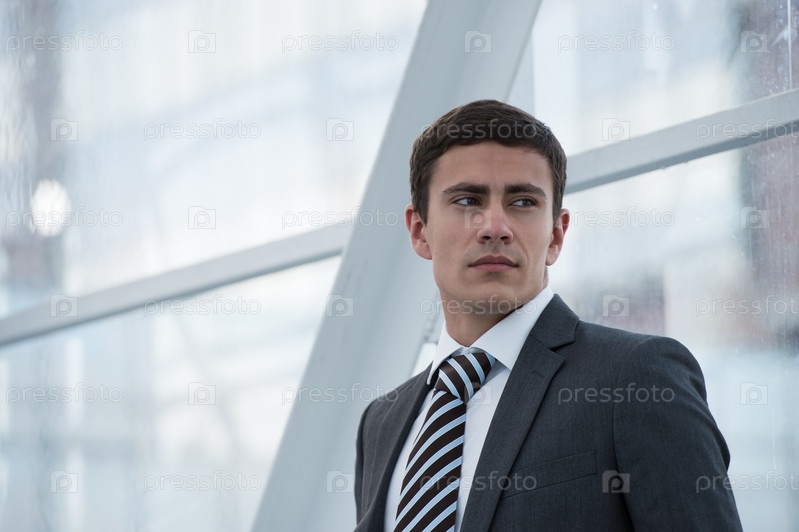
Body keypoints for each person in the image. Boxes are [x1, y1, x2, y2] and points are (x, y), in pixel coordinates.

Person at [353, 100, 742, 531]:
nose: (494, 227)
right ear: (419, 231)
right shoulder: (380, 424)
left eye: (522, 201)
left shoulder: (635, 377)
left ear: (556, 234)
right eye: (467, 200)